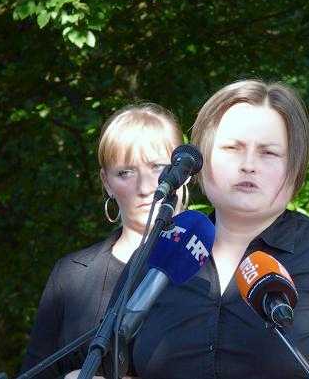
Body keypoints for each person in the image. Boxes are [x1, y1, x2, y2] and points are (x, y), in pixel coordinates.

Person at [130, 80, 309, 378]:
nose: (248, 165)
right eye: (232, 148)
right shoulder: (159, 252)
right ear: (201, 160)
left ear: (295, 166)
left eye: (268, 153)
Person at [20, 103, 185, 379]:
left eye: (158, 167)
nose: (146, 187)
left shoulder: (219, 265)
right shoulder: (71, 275)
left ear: (185, 173)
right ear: (106, 182)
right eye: (125, 173)